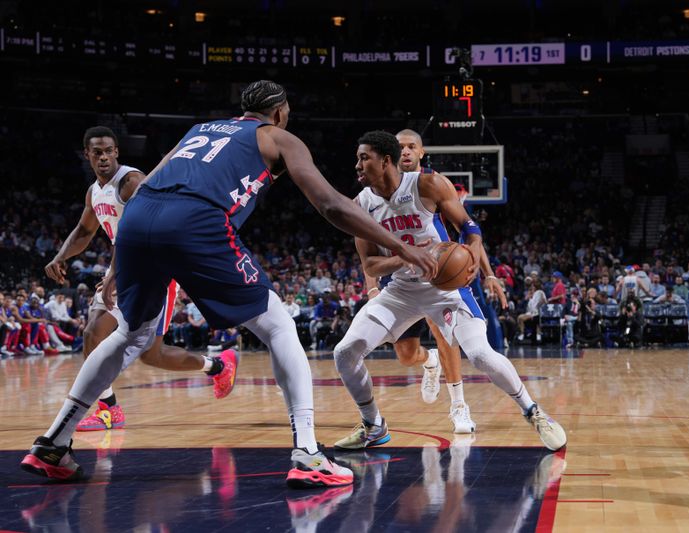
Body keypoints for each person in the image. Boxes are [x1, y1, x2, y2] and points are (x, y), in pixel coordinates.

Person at [21, 80, 435, 487]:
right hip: (193, 220)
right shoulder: (278, 138)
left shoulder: (199, 130)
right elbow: (330, 205)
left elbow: (146, 188)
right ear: (279, 112)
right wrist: (404, 246)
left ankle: (53, 443)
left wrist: (117, 265)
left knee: (131, 334)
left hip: (137, 221)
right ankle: (308, 454)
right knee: (277, 325)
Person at [333, 131, 565, 452]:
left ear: (385, 161)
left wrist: (473, 257)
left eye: (364, 158)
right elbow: (371, 266)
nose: (357, 164)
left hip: (443, 287)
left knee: (481, 355)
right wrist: (404, 255)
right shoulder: (360, 205)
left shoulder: (427, 185)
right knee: (344, 353)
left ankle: (533, 410)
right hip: (401, 290)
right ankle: (373, 425)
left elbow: (469, 227)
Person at [42, 126, 237, 432]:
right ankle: (109, 408)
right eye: (97, 152)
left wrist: (115, 274)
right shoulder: (95, 191)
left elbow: (139, 229)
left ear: (117, 152)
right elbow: (83, 231)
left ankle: (218, 365)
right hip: (122, 269)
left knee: (152, 355)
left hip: (155, 269)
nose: (104, 157)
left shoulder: (132, 182)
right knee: (92, 333)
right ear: (87, 156)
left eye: (108, 151)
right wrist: (59, 257)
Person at [360, 129, 508, 435]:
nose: (405, 152)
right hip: (399, 279)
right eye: (400, 147)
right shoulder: (373, 192)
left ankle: (458, 406)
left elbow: (467, 232)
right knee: (405, 355)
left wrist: (488, 273)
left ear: (421, 152)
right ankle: (428, 362)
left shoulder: (432, 183)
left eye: (411, 147)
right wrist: (371, 285)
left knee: (446, 337)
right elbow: (367, 246)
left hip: (438, 272)